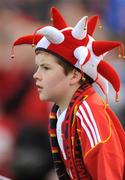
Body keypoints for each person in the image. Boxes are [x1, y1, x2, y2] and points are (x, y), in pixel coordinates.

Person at [12, 7, 125, 180]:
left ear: (75, 74)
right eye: (37, 66)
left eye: (46, 68)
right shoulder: (65, 112)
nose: (36, 75)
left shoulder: (90, 114)